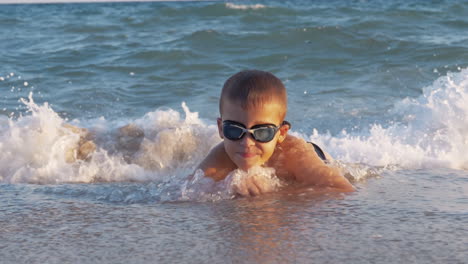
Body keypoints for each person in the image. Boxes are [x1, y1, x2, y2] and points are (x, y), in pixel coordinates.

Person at [197, 70, 355, 196]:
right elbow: (186, 192)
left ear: (281, 133)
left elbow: (343, 190)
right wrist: (226, 188)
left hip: (320, 157)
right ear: (220, 129)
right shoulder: (221, 156)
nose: (246, 142)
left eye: (262, 132)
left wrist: (273, 192)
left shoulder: (293, 156)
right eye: (234, 130)